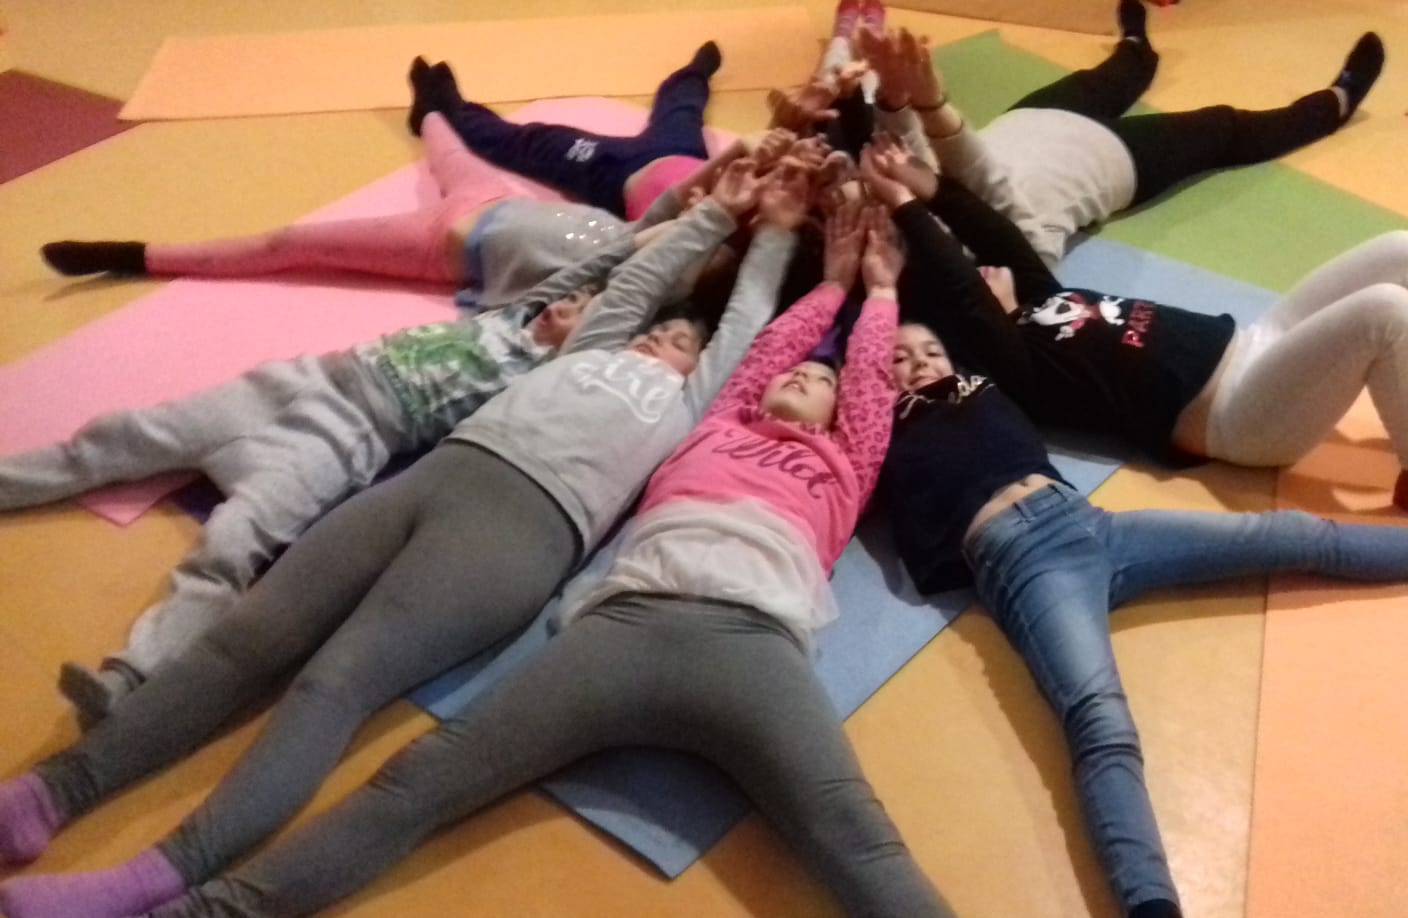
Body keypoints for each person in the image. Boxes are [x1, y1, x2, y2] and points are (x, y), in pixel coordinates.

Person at [92, 201, 950, 918]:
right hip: (621, 631)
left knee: (859, 837)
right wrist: (828, 283)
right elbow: (761, 348)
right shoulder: (713, 422)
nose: (807, 378)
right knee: (418, 777)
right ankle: (208, 908)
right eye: (798, 373)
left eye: (824, 382)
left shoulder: (845, 466)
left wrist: (876, 292)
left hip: (754, 648)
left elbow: (868, 389)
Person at [1, 157, 753, 729]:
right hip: (294, 384)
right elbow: (617, 253)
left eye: (586, 308)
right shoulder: (517, 312)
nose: (573, 301)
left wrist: (717, 231)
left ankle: (130, 677)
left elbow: (636, 279)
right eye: (574, 294)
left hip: (340, 439)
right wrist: (712, 183)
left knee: (231, 546)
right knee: (117, 437)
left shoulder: (558, 370)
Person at [880, 317, 1408, 918]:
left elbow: (987, 329)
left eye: (931, 350)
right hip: (1025, 560)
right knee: (1100, 723)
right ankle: (1151, 903)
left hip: (1094, 524)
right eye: (899, 357)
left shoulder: (983, 386)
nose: (920, 362)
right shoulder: (883, 431)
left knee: (1295, 535)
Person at [862, 137, 1408, 525]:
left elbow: (998, 237)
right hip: (1243, 416)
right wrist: (904, 208)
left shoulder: (1041, 300)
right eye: (977, 280)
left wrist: (931, 186)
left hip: (1257, 343)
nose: (986, 268)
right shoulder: (1020, 369)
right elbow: (957, 282)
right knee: (1390, 312)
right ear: (971, 323)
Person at [38, 107, 745, 313]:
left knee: (289, 241)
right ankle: (429, 105)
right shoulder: (647, 235)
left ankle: (135, 256)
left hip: (435, 245)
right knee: (446, 145)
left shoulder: (624, 282)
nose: (683, 231)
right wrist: (740, 161)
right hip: (495, 200)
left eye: (692, 246)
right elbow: (679, 203)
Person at [859, 3, 1387, 265]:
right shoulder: (1020, 255)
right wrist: (932, 105)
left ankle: (1136, 42)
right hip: (1117, 159)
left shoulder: (910, 222)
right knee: (1224, 126)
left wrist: (895, 99)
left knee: (1122, 71)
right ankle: (1334, 104)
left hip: (1034, 117)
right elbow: (987, 184)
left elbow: (916, 164)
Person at [410, 42, 725, 222]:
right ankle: (694, 73)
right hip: (684, 153)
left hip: (615, 173)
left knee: (534, 142)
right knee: (682, 107)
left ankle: (446, 112)